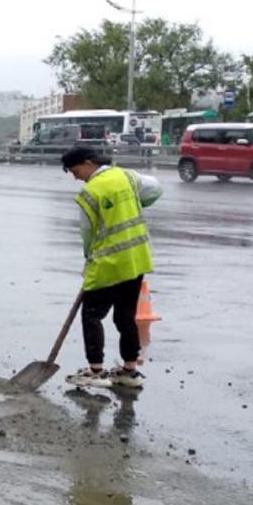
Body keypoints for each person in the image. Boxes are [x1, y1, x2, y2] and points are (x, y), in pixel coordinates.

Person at [60, 147, 162, 389]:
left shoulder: (90, 192)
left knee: (92, 315)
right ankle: (129, 371)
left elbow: (87, 232)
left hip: (108, 263)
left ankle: (95, 370)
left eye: (75, 171)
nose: (75, 177)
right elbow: (155, 188)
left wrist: (89, 258)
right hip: (136, 259)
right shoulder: (127, 176)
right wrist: (138, 203)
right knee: (125, 316)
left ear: (87, 163)